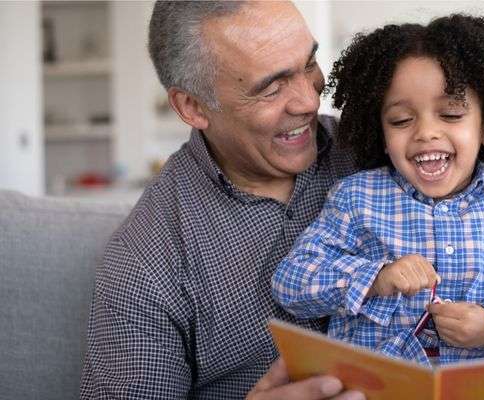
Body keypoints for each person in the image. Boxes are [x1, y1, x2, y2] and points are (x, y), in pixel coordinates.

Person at [272, 14, 484, 367]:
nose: (426, 132)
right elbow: (291, 283)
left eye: (451, 114)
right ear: (380, 131)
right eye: (401, 120)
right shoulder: (355, 197)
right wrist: (376, 278)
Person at [80, 1, 365, 399]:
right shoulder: (144, 260)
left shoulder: (379, 153)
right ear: (192, 106)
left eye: (309, 63)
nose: (308, 101)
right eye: (272, 86)